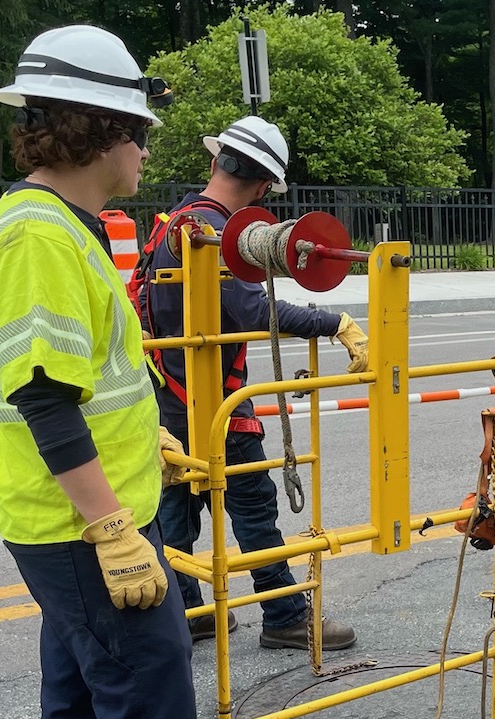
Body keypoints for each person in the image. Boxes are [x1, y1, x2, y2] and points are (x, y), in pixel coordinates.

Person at [0, 25, 242, 719]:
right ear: (96, 130)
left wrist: (149, 439)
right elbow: (44, 397)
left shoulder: (51, 225)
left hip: (67, 520)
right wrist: (112, 523)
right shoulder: (42, 235)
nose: (148, 146)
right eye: (138, 128)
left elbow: (82, 380)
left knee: (82, 695)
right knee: (148, 702)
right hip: (84, 530)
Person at [142, 115, 364, 651]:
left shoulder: (175, 223)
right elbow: (249, 309)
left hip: (169, 401)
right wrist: (332, 322)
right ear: (264, 186)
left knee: (176, 510)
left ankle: (189, 610)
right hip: (216, 403)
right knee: (254, 505)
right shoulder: (212, 234)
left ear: (216, 161)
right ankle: (286, 615)